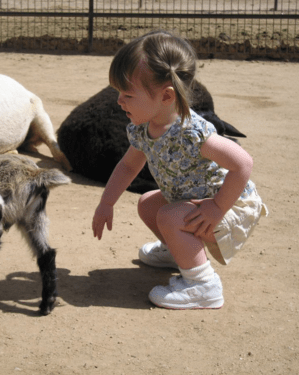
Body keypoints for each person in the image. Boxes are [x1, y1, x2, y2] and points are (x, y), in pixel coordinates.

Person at [92, 30, 268, 310]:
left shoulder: (191, 133)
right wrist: (106, 202)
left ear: (166, 96)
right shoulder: (143, 128)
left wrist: (217, 207)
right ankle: (180, 253)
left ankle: (203, 286)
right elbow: (127, 166)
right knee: (148, 203)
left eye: (127, 94)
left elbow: (243, 163)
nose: (118, 101)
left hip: (230, 207)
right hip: (194, 203)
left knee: (170, 215)